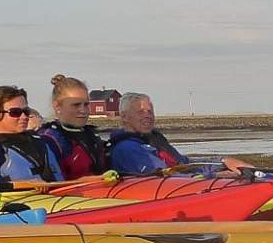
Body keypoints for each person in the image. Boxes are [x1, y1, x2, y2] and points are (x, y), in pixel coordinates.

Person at [107, 93, 252, 176]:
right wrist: (217, 176)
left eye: (150, 111)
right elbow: (166, 177)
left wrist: (222, 162)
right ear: (125, 117)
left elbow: (184, 164)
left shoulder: (155, 141)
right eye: (141, 112)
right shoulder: (127, 149)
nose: (148, 116)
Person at [0, 86, 64, 185]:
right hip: (17, 199)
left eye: (26, 111)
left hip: (60, 196)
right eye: (15, 112)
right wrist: (24, 184)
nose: (24, 117)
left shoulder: (43, 142)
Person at [38, 74, 110, 178]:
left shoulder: (92, 137)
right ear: (57, 106)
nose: (83, 110)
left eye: (86, 104)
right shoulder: (50, 140)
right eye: (76, 105)